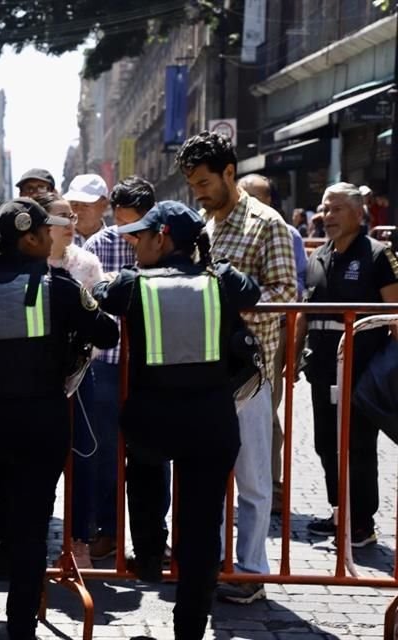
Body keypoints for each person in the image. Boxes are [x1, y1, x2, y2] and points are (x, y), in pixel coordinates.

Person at [0, 197, 118, 640]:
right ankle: (21, 624)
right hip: (43, 423)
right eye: (44, 231)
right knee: (34, 525)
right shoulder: (60, 286)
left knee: (1, 516)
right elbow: (107, 332)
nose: (51, 237)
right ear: (31, 238)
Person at [93, 201, 260, 640]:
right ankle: (190, 628)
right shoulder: (219, 280)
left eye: (141, 236)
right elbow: (251, 293)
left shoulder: (134, 283)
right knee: (202, 530)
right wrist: (217, 266)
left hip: (153, 420)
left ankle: (150, 555)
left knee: (145, 483)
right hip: (211, 422)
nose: (135, 244)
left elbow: (102, 294)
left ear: (162, 237)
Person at [177, 131, 297, 605]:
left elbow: (285, 294)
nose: (199, 193)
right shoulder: (204, 226)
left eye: (204, 183)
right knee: (211, 478)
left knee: (252, 480)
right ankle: (217, 564)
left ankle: (250, 572)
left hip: (248, 376)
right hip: (205, 373)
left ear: (229, 173)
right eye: (193, 185)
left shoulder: (267, 224)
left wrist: (230, 305)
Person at [298, 182, 398, 547]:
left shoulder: (378, 256)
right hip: (322, 369)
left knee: (357, 446)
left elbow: (395, 313)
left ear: (359, 214)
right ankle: (339, 512)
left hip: (362, 369)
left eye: (337, 208)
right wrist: (292, 356)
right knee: (326, 444)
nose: (328, 216)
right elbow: (304, 313)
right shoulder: (318, 256)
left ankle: (362, 524)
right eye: (325, 208)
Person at [81, 175, 157, 563]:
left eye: (134, 225)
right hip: (106, 365)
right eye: (120, 222)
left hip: (150, 366)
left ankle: (152, 539)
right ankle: (106, 531)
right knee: (105, 453)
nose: (126, 232)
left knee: (152, 454)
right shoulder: (97, 245)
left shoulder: (163, 244)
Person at [33, 191, 104, 568]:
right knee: (36, 459)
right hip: (34, 379)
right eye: (61, 218)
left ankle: (79, 541)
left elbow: (102, 323)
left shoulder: (87, 265)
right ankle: (31, 539)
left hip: (80, 376)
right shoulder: (27, 264)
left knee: (84, 457)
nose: (70, 225)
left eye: (72, 218)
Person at [237, 173, 308, 511]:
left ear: (271, 201)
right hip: (229, 335)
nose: (248, 200)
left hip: (270, 335)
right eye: (243, 193)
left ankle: (271, 486)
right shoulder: (224, 227)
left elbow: (295, 289)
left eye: (256, 195)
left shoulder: (284, 232)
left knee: (265, 410)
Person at [63, 174, 109, 246]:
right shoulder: (57, 241)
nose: (78, 211)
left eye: (86, 205)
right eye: (74, 204)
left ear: (104, 205)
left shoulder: (118, 242)